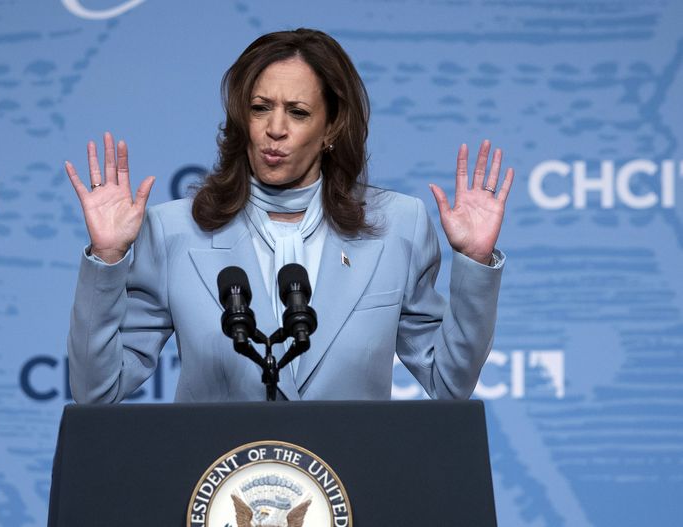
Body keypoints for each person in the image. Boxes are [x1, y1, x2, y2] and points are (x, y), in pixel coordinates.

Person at [65, 28, 513, 404]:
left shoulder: (399, 226)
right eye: (260, 108)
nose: (274, 129)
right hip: (222, 497)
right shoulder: (174, 232)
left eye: (297, 113)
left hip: (351, 495)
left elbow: (449, 383)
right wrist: (106, 258)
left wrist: (474, 263)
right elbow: (97, 391)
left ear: (331, 128)